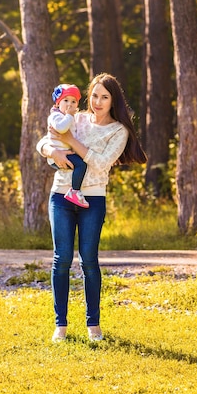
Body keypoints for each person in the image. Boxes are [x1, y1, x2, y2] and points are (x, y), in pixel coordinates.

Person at [36, 73, 147, 343]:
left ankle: (93, 325)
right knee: (61, 259)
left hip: (93, 200)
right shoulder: (76, 116)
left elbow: (101, 163)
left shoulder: (118, 131)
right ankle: (60, 325)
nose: (97, 102)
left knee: (89, 260)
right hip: (61, 196)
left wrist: (71, 142)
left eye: (104, 97)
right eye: (94, 95)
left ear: (113, 101)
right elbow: (42, 142)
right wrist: (54, 153)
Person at [46, 84, 89, 208]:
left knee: (80, 163)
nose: (70, 104)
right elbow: (61, 128)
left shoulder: (71, 117)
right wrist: (69, 116)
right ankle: (74, 191)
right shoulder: (56, 116)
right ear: (58, 103)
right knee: (81, 164)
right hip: (58, 155)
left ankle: (74, 190)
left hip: (66, 152)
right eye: (66, 100)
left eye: (73, 101)